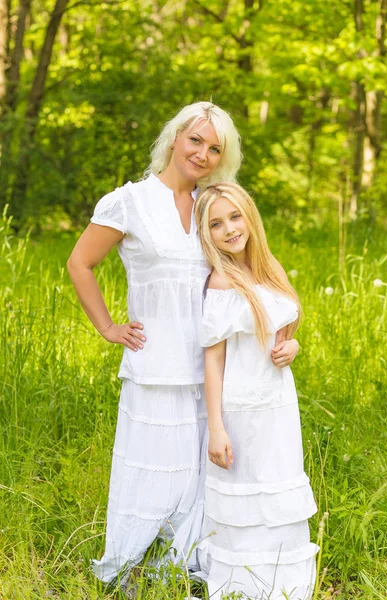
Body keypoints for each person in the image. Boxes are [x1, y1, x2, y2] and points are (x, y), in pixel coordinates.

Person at [66, 102, 241, 584]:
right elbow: (79, 264)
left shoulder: (213, 207)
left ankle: (182, 564)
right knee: (151, 470)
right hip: (154, 363)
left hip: (211, 368)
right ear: (174, 137)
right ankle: (131, 563)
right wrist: (107, 327)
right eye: (195, 140)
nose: (202, 154)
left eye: (214, 148)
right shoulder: (130, 201)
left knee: (200, 473)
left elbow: (247, 272)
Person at [194, 182, 319, 599]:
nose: (229, 229)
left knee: (280, 485)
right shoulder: (221, 282)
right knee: (247, 496)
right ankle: (243, 588)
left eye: (234, 216)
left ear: (249, 216)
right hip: (241, 409)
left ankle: (287, 586)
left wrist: (293, 345)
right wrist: (216, 428)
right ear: (206, 233)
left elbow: (285, 327)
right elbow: (213, 360)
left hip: (279, 404)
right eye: (216, 223)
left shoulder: (270, 268)